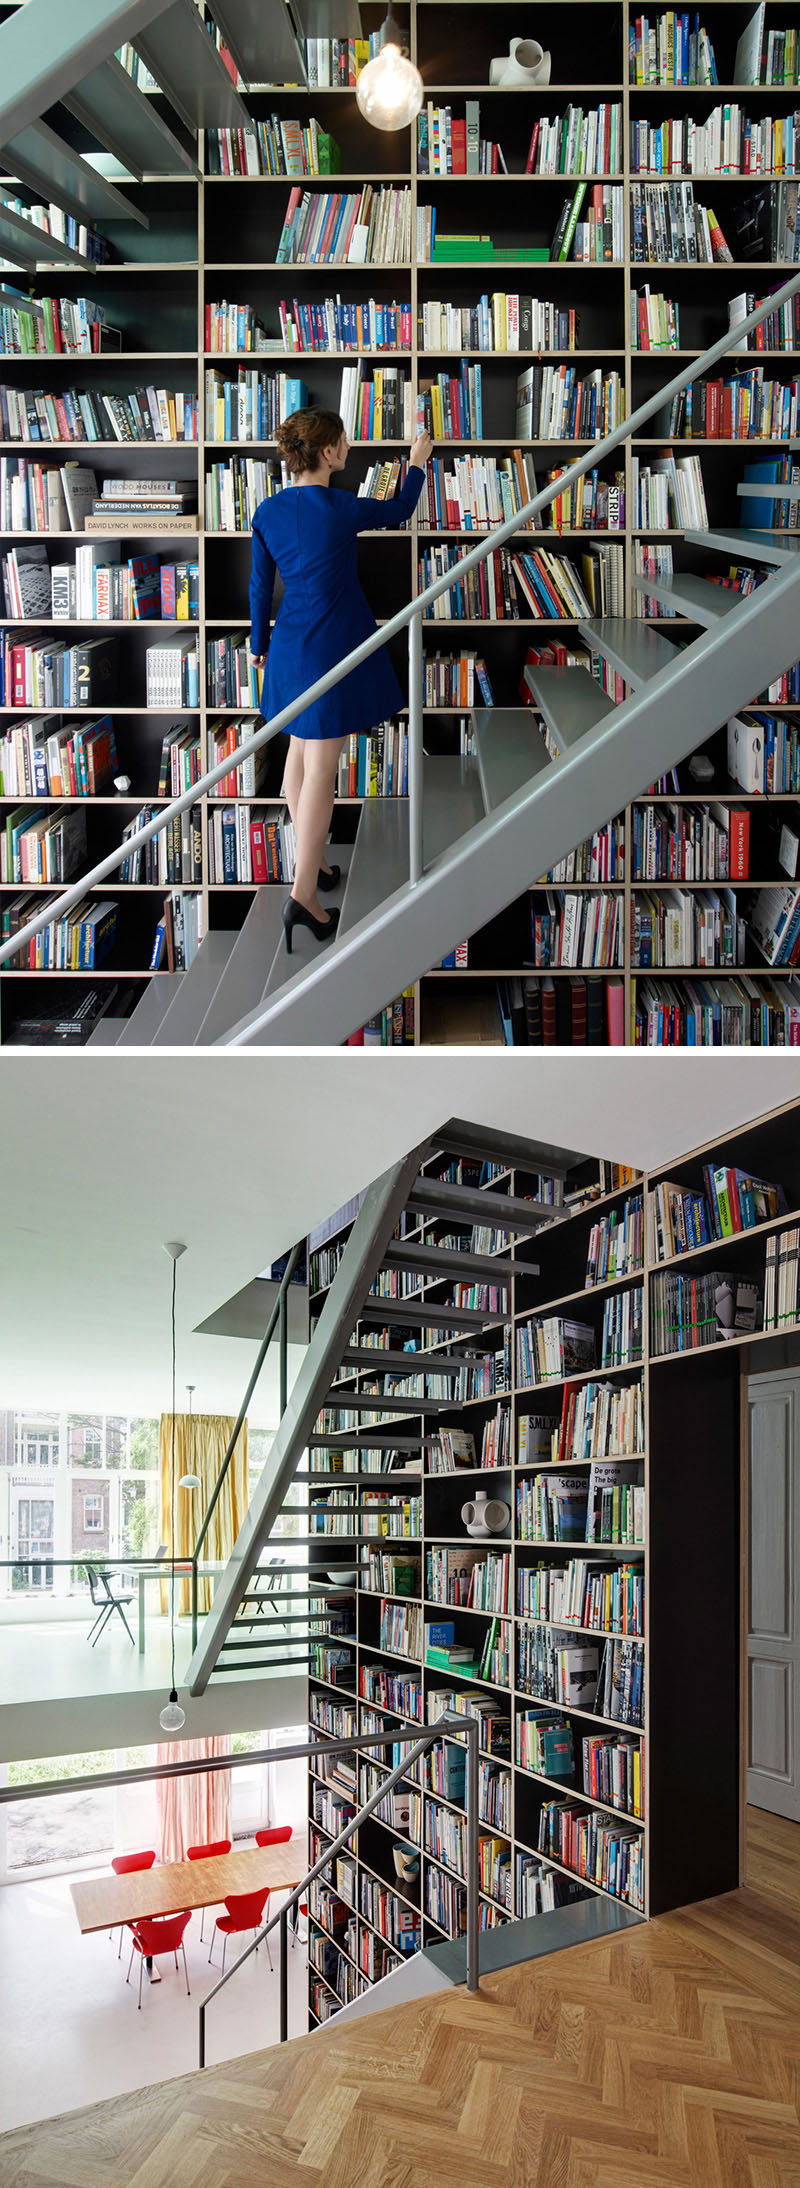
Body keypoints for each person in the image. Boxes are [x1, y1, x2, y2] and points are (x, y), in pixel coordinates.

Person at [249, 406, 434, 953]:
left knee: (296, 765)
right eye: (345, 443)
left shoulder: (267, 511)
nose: (350, 449)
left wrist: (259, 647)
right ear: (327, 452)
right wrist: (416, 463)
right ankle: (303, 895)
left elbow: (261, 589)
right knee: (321, 769)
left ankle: (316, 861)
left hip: (288, 648)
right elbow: (401, 509)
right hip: (330, 647)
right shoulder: (341, 507)